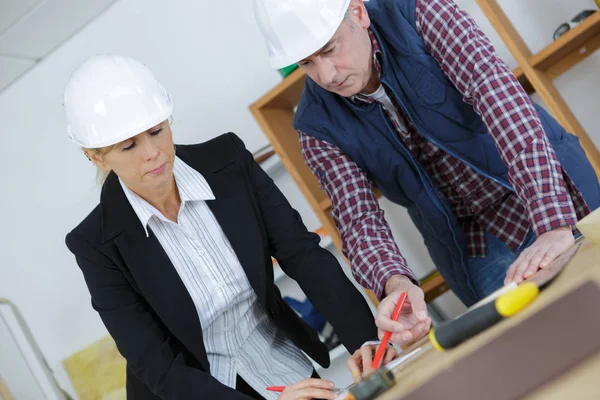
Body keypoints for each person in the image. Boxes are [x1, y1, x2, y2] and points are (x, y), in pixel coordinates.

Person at [253, 0, 600, 346]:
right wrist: (395, 284)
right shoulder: (315, 125)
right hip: (471, 248)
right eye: (307, 63)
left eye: (329, 49)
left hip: (549, 196)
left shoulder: (421, 13)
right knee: (544, 349)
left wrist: (553, 223)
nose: (327, 75)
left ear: (358, 13)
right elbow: (358, 218)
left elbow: (502, 102)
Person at [63, 55, 393, 399]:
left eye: (157, 131)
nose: (153, 153)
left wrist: (366, 339)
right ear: (96, 156)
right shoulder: (95, 244)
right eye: (128, 145)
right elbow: (156, 364)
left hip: (281, 364)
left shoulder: (228, 161)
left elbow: (303, 254)